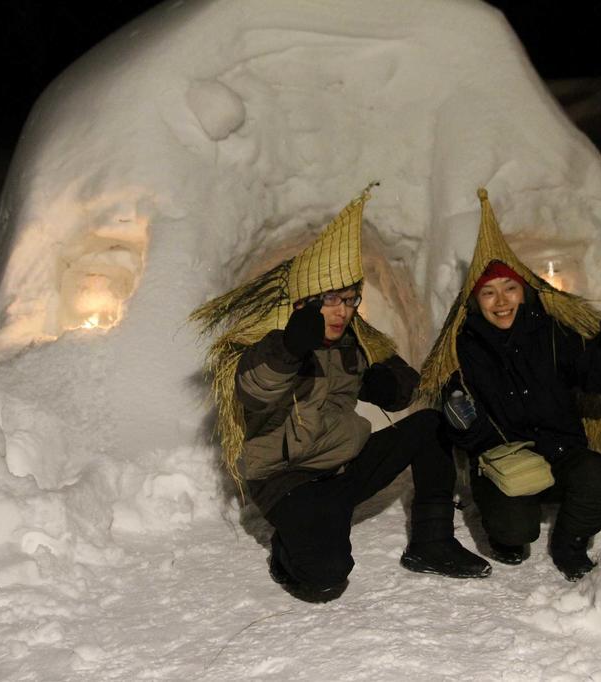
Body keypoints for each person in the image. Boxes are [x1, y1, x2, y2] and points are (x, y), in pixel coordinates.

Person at [190, 184, 490, 602]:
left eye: (349, 300)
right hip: (288, 480)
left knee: (429, 426)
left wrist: (390, 382)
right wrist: (291, 347)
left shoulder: (353, 341)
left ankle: (432, 542)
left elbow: (403, 391)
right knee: (325, 580)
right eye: (330, 299)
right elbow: (257, 384)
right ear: (303, 303)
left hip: (344, 467)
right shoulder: (272, 345)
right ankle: (288, 549)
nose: (342, 310)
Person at [418, 189, 601, 581]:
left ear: (523, 291)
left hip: (561, 451)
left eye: (509, 288)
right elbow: (464, 430)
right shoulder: (463, 350)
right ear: (476, 301)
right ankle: (508, 532)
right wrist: (464, 422)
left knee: (596, 474)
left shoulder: (553, 334)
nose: (501, 301)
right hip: (504, 462)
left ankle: (569, 544)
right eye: (488, 293)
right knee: (515, 531)